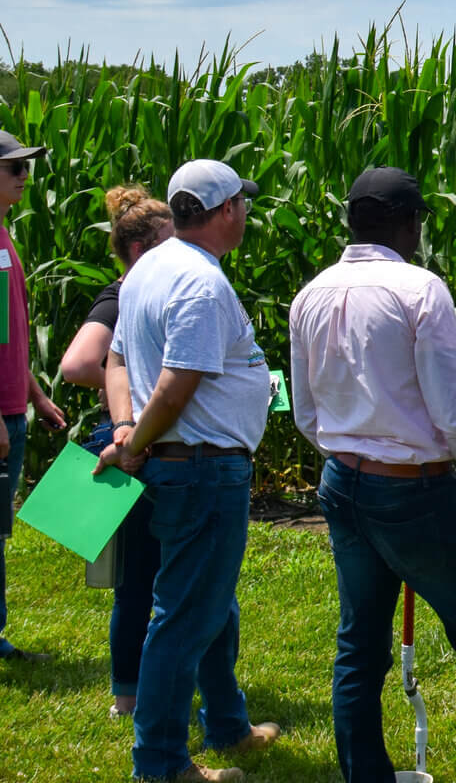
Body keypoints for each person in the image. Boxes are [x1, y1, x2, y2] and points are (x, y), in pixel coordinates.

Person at [289, 166, 456, 783]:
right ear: (410, 222)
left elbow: (305, 412)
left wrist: (351, 450)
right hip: (412, 487)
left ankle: (364, 774)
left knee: (359, 644)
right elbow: (454, 409)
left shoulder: (311, 293)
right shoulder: (419, 290)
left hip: (342, 482)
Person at [94, 159, 278, 783]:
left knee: (210, 605)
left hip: (183, 464)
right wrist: (134, 440)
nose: (246, 214)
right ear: (226, 210)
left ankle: (227, 724)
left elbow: (115, 360)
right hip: (200, 468)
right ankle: (163, 763)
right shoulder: (199, 283)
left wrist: (123, 428)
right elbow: (175, 388)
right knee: (183, 617)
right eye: (242, 205)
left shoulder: (149, 267)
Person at [57, 186, 175, 714]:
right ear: (137, 250)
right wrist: (127, 407)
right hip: (135, 444)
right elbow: (79, 364)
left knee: (141, 576)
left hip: (136, 437)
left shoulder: (151, 292)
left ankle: (131, 694)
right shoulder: (124, 296)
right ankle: (133, 694)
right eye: (168, 242)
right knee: (139, 579)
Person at [1, 129, 69, 663]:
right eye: (13, 168)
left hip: (11, 407)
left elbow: (5, 332)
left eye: (26, 167)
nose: (24, 177)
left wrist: (35, 395)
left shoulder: (4, 237)